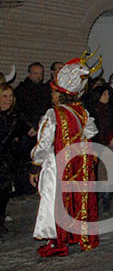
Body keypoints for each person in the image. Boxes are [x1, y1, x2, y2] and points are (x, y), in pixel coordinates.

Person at [30, 52, 102, 257]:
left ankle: (58, 239)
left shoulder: (54, 114)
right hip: (79, 161)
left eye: (53, 92)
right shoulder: (83, 112)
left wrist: (35, 164)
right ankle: (79, 236)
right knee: (78, 197)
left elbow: (44, 143)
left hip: (57, 162)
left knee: (55, 199)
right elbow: (90, 133)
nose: (51, 95)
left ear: (60, 94)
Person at [84, 84, 113, 212]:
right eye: (104, 94)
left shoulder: (110, 109)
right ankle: (101, 199)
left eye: (108, 94)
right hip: (97, 145)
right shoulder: (93, 110)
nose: (107, 97)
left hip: (109, 144)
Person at [13, 62, 49, 195]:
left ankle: (35, 187)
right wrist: (30, 126)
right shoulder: (21, 90)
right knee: (23, 161)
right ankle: (22, 188)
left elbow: (46, 111)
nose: (39, 76)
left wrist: (39, 126)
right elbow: (18, 111)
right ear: (29, 74)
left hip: (40, 130)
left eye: (41, 74)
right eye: (36, 73)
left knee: (38, 159)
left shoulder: (45, 90)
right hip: (26, 131)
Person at [0, 83, 28, 234]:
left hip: (6, 161)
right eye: (5, 96)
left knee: (4, 193)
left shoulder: (15, 116)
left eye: (10, 96)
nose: (8, 99)